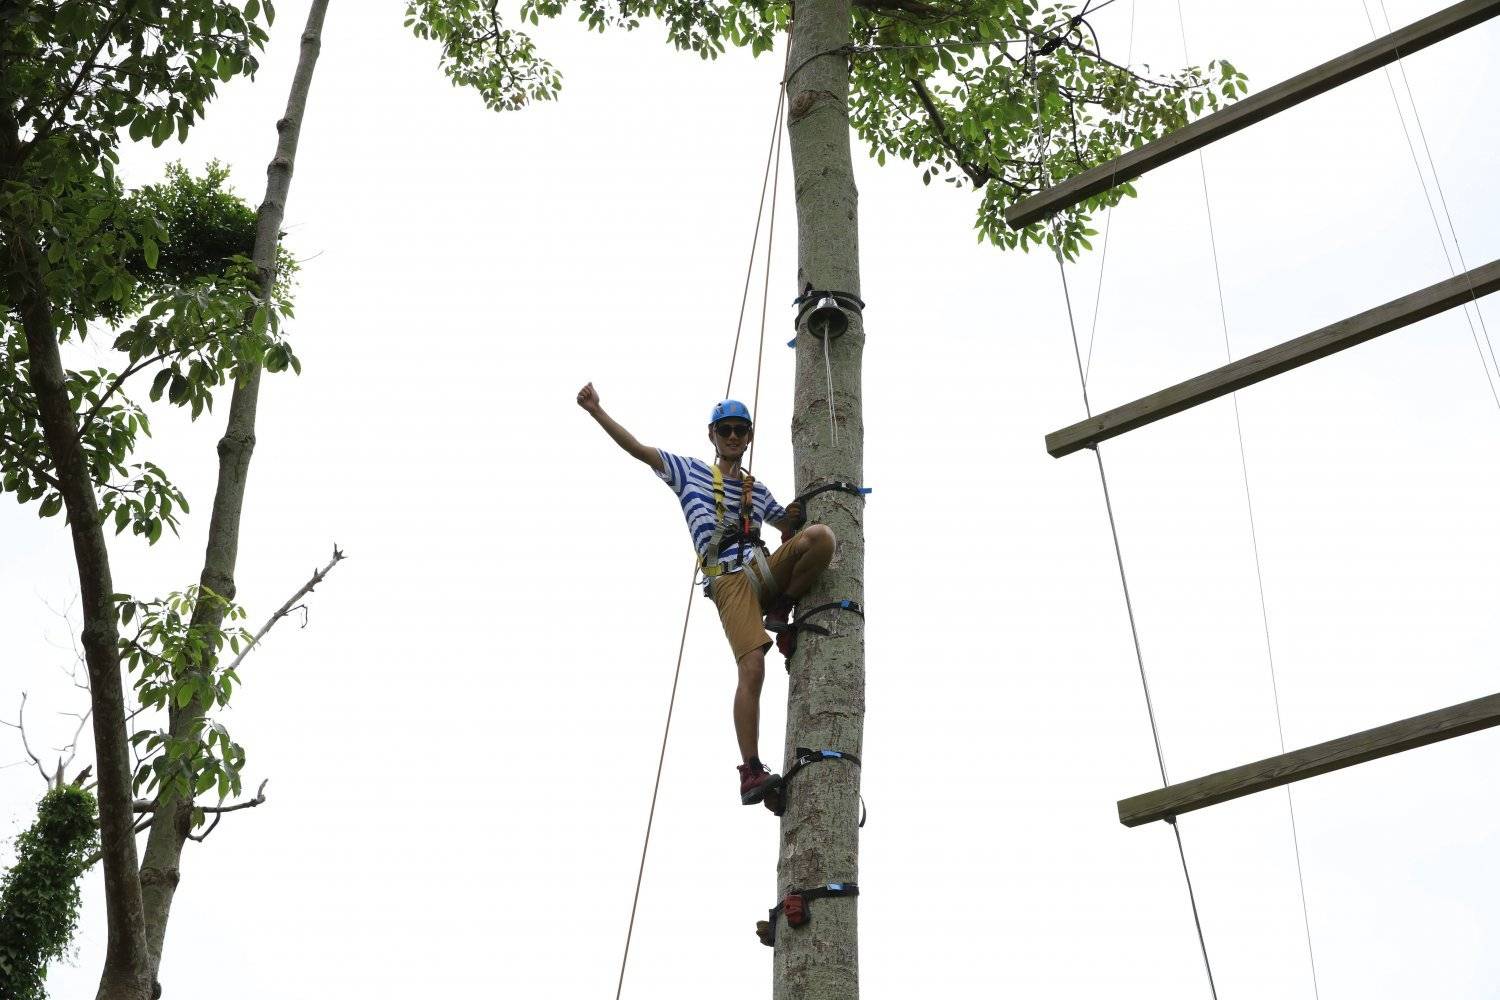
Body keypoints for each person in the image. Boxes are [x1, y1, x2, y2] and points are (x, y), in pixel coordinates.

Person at [576, 382, 836, 807]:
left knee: (821, 538)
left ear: (749, 437)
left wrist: (792, 519)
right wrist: (596, 411)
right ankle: (751, 770)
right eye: (725, 430)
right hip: (728, 579)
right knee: (752, 668)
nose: (733, 437)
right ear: (712, 435)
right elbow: (639, 449)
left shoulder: (755, 490)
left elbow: (788, 531)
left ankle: (782, 608)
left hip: (763, 570)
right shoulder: (690, 473)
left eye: (740, 431)